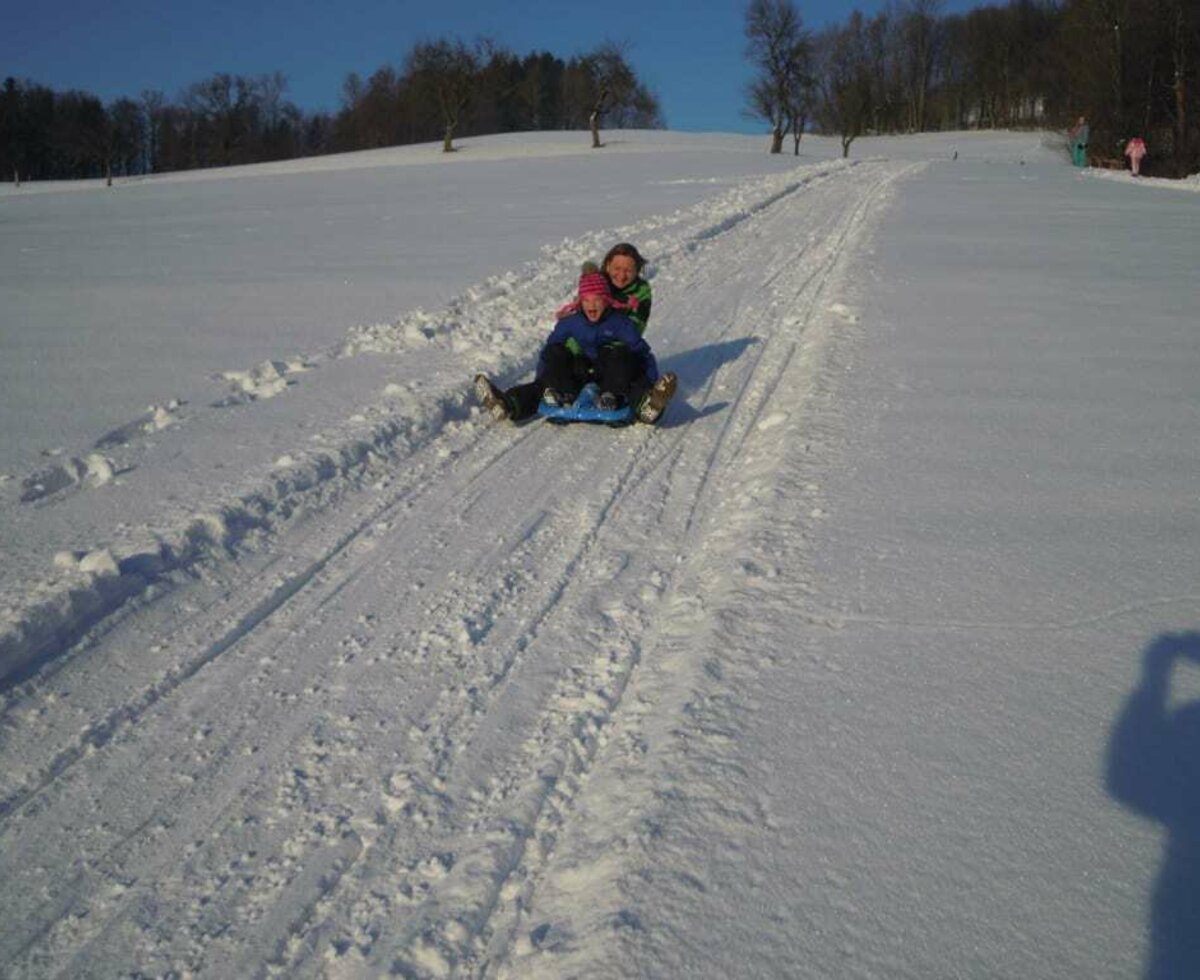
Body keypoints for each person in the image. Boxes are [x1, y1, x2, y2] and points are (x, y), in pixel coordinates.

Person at [476, 263, 676, 425]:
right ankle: (507, 404)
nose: (592, 305)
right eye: (587, 301)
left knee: (621, 356)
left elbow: (641, 352)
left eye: (597, 300)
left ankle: (646, 406)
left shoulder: (619, 322)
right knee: (555, 354)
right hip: (578, 375)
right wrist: (545, 379)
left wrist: (649, 380)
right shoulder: (571, 322)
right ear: (580, 302)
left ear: (606, 301)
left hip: (611, 376)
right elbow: (550, 349)